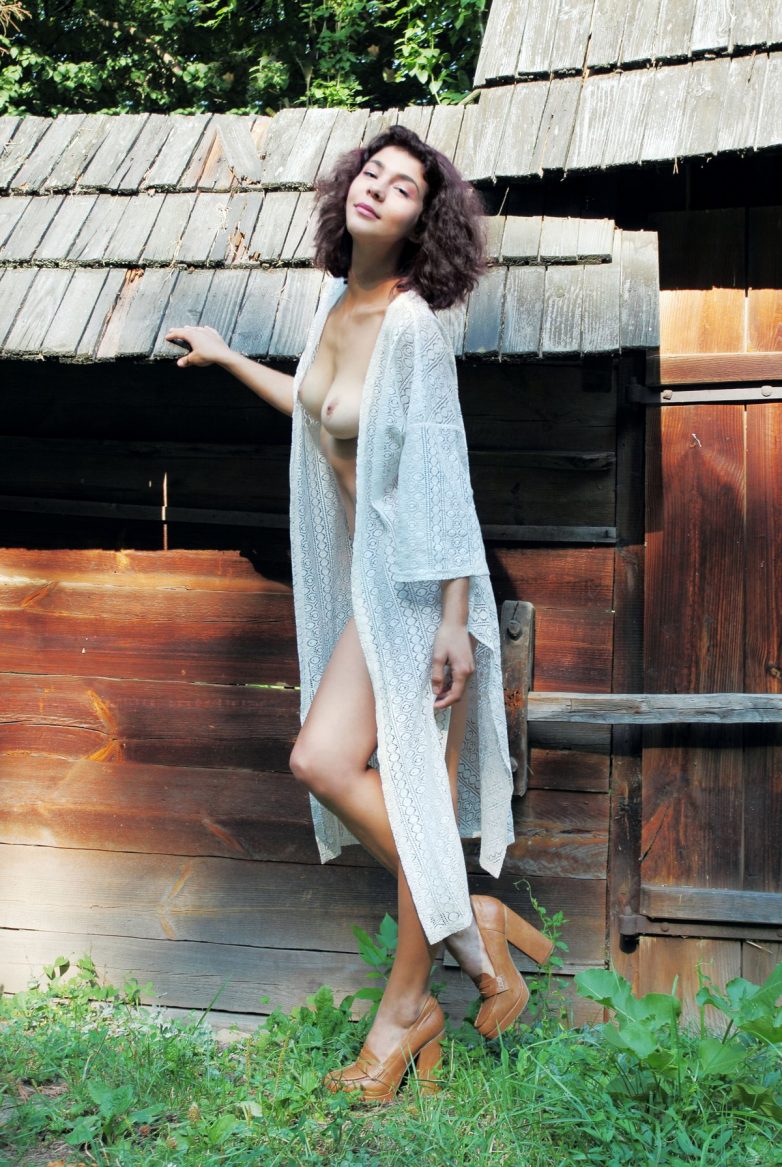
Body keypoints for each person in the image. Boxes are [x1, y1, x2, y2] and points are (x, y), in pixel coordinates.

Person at [165, 124, 553, 1104]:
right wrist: (225, 356)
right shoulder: (335, 301)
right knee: (319, 760)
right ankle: (472, 926)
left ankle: (402, 1019)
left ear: (425, 222)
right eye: (370, 173)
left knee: (396, 786)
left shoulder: (413, 326)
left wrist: (454, 620)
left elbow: (444, 474)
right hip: (372, 585)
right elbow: (314, 407)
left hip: (424, 588)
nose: (377, 189)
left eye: (403, 186)